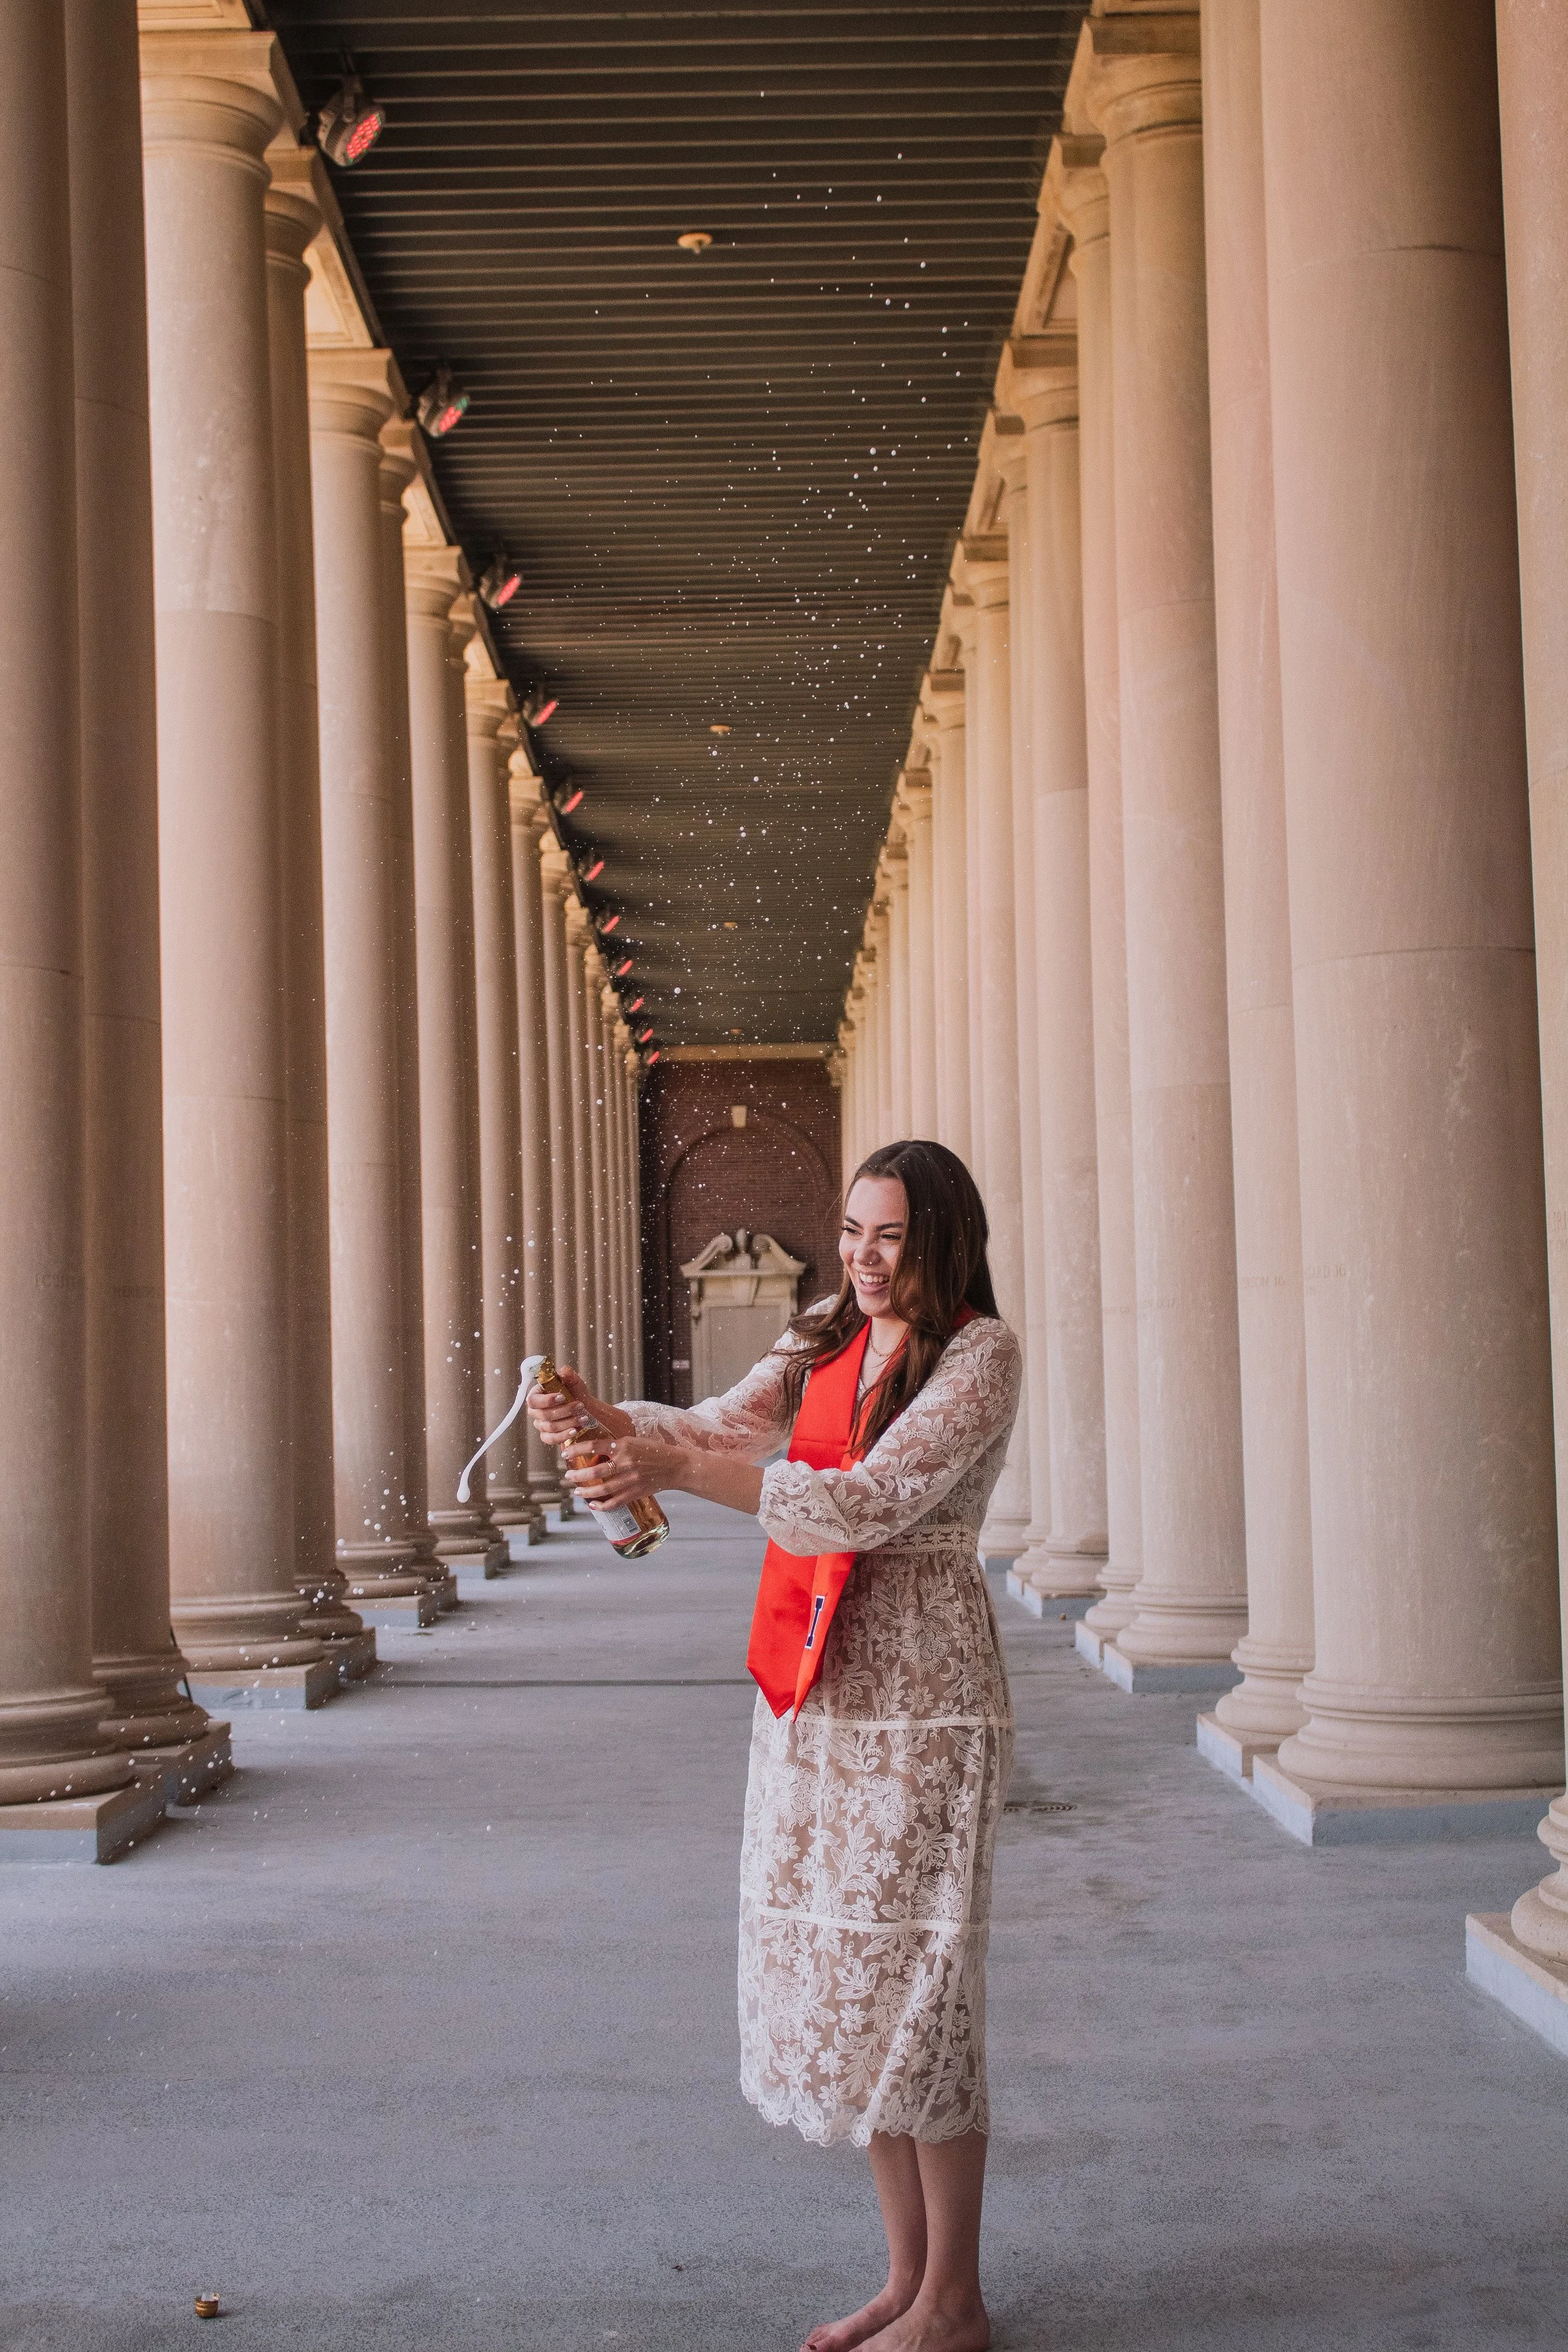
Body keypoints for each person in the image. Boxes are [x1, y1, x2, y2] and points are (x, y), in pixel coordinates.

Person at [528, 1138, 1021, 2352]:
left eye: (888, 1235)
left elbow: (856, 1500)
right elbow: (718, 1424)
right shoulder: (821, 1333)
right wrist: (605, 1421)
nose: (861, 1256)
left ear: (941, 1238)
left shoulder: (976, 1356)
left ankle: (953, 2302)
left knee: (922, 1991)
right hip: (816, 1689)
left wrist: (676, 1472)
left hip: (923, 1701)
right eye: (851, 1230)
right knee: (855, 1992)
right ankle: (903, 2283)